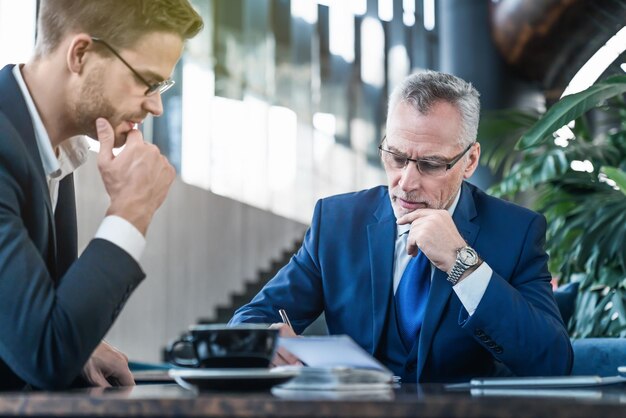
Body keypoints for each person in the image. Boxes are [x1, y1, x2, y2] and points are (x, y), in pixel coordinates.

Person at [230, 71, 573, 383]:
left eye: (430, 164)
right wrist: (268, 337)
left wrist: (462, 264)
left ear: (469, 161)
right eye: (396, 157)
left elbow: (552, 361)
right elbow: (247, 321)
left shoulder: (517, 231)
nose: (406, 182)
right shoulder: (336, 221)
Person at [0, 0, 203, 390]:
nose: (156, 106)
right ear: (80, 54)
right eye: (147, 81)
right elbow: (45, 353)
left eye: (162, 86)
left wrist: (82, 346)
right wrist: (131, 210)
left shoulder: (51, 156)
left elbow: (29, 324)